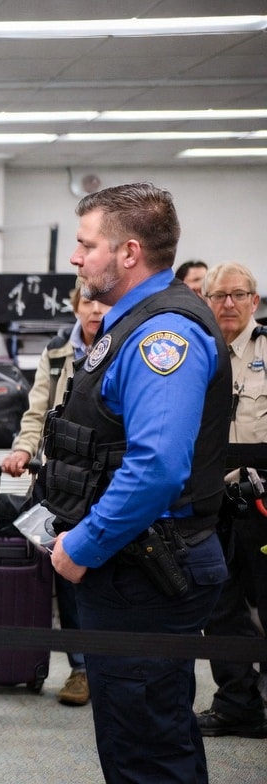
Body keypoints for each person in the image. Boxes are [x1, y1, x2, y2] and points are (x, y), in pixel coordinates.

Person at [46, 183, 230, 782]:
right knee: (140, 737)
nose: (75, 257)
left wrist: (83, 545)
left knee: (147, 749)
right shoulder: (133, 323)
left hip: (145, 570)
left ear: (128, 253)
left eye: (85, 244)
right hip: (136, 567)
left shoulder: (160, 338)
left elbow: (157, 468)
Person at [1, 282, 110, 707]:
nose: (95, 309)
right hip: (64, 481)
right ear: (75, 306)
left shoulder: (123, 344)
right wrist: (24, 448)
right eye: (88, 301)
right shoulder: (58, 351)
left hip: (107, 478)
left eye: (103, 301)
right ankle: (81, 668)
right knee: (67, 565)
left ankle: (110, 666)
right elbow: (37, 409)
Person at [195, 262, 267, 738]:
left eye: (238, 295)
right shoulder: (196, 354)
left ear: (254, 302)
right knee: (219, 608)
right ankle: (237, 702)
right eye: (219, 296)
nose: (228, 304)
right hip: (210, 500)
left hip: (262, 500)